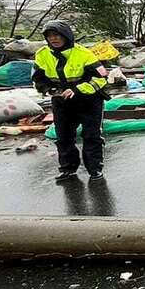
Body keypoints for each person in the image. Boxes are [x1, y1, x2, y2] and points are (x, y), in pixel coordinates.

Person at [32, 20, 109, 182]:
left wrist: (77, 90)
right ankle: (68, 169)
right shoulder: (42, 54)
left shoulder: (83, 53)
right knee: (63, 136)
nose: (54, 39)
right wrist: (50, 90)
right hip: (61, 101)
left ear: (66, 36)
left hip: (88, 100)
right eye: (50, 36)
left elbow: (101, 78)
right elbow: (38, 78)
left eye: (57, 35)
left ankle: (95, 169)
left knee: (91, 136)